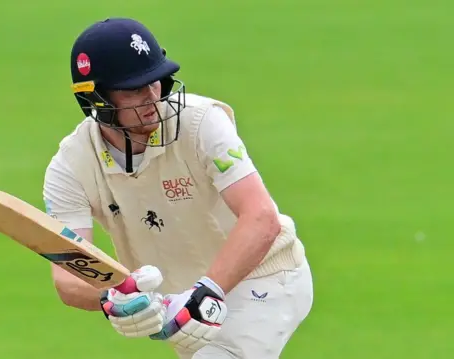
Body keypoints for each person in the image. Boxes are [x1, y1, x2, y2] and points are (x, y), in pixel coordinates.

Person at [43, 17, 314, 359]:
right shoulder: (70, 166)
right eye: (134, 89)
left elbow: (261, 216)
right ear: (95, 98)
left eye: (154, 83)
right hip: (182, 305)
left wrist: (208, 291)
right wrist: (113, 298)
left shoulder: (202, 122)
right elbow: (69, 278)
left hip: (265, 279)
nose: (152, 97)